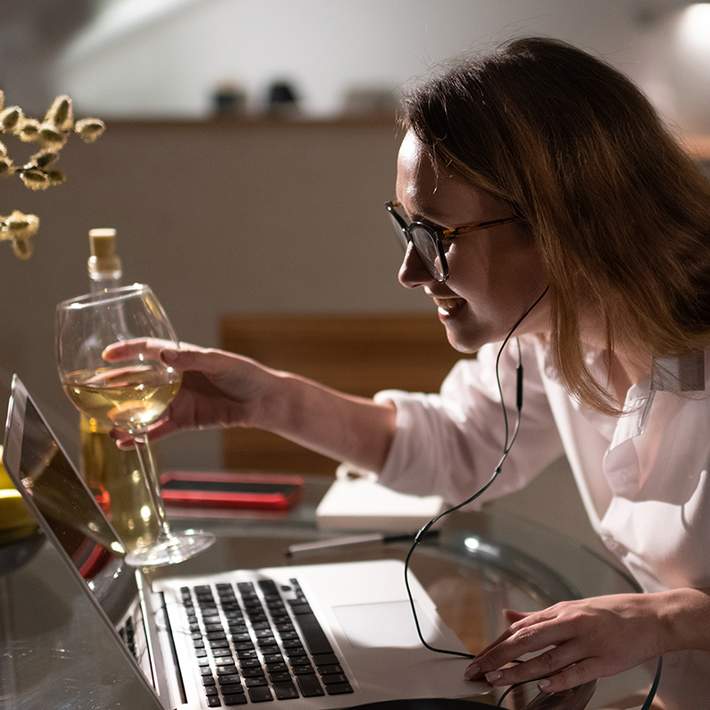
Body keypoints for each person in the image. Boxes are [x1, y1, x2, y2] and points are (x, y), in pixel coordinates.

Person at [108, 38, 710, 709]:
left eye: (437, 237)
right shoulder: (554, 334)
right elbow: (454, 445)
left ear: (563, 226)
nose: (411, 272)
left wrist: (664, 621)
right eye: (406, 230)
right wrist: (266, 399)